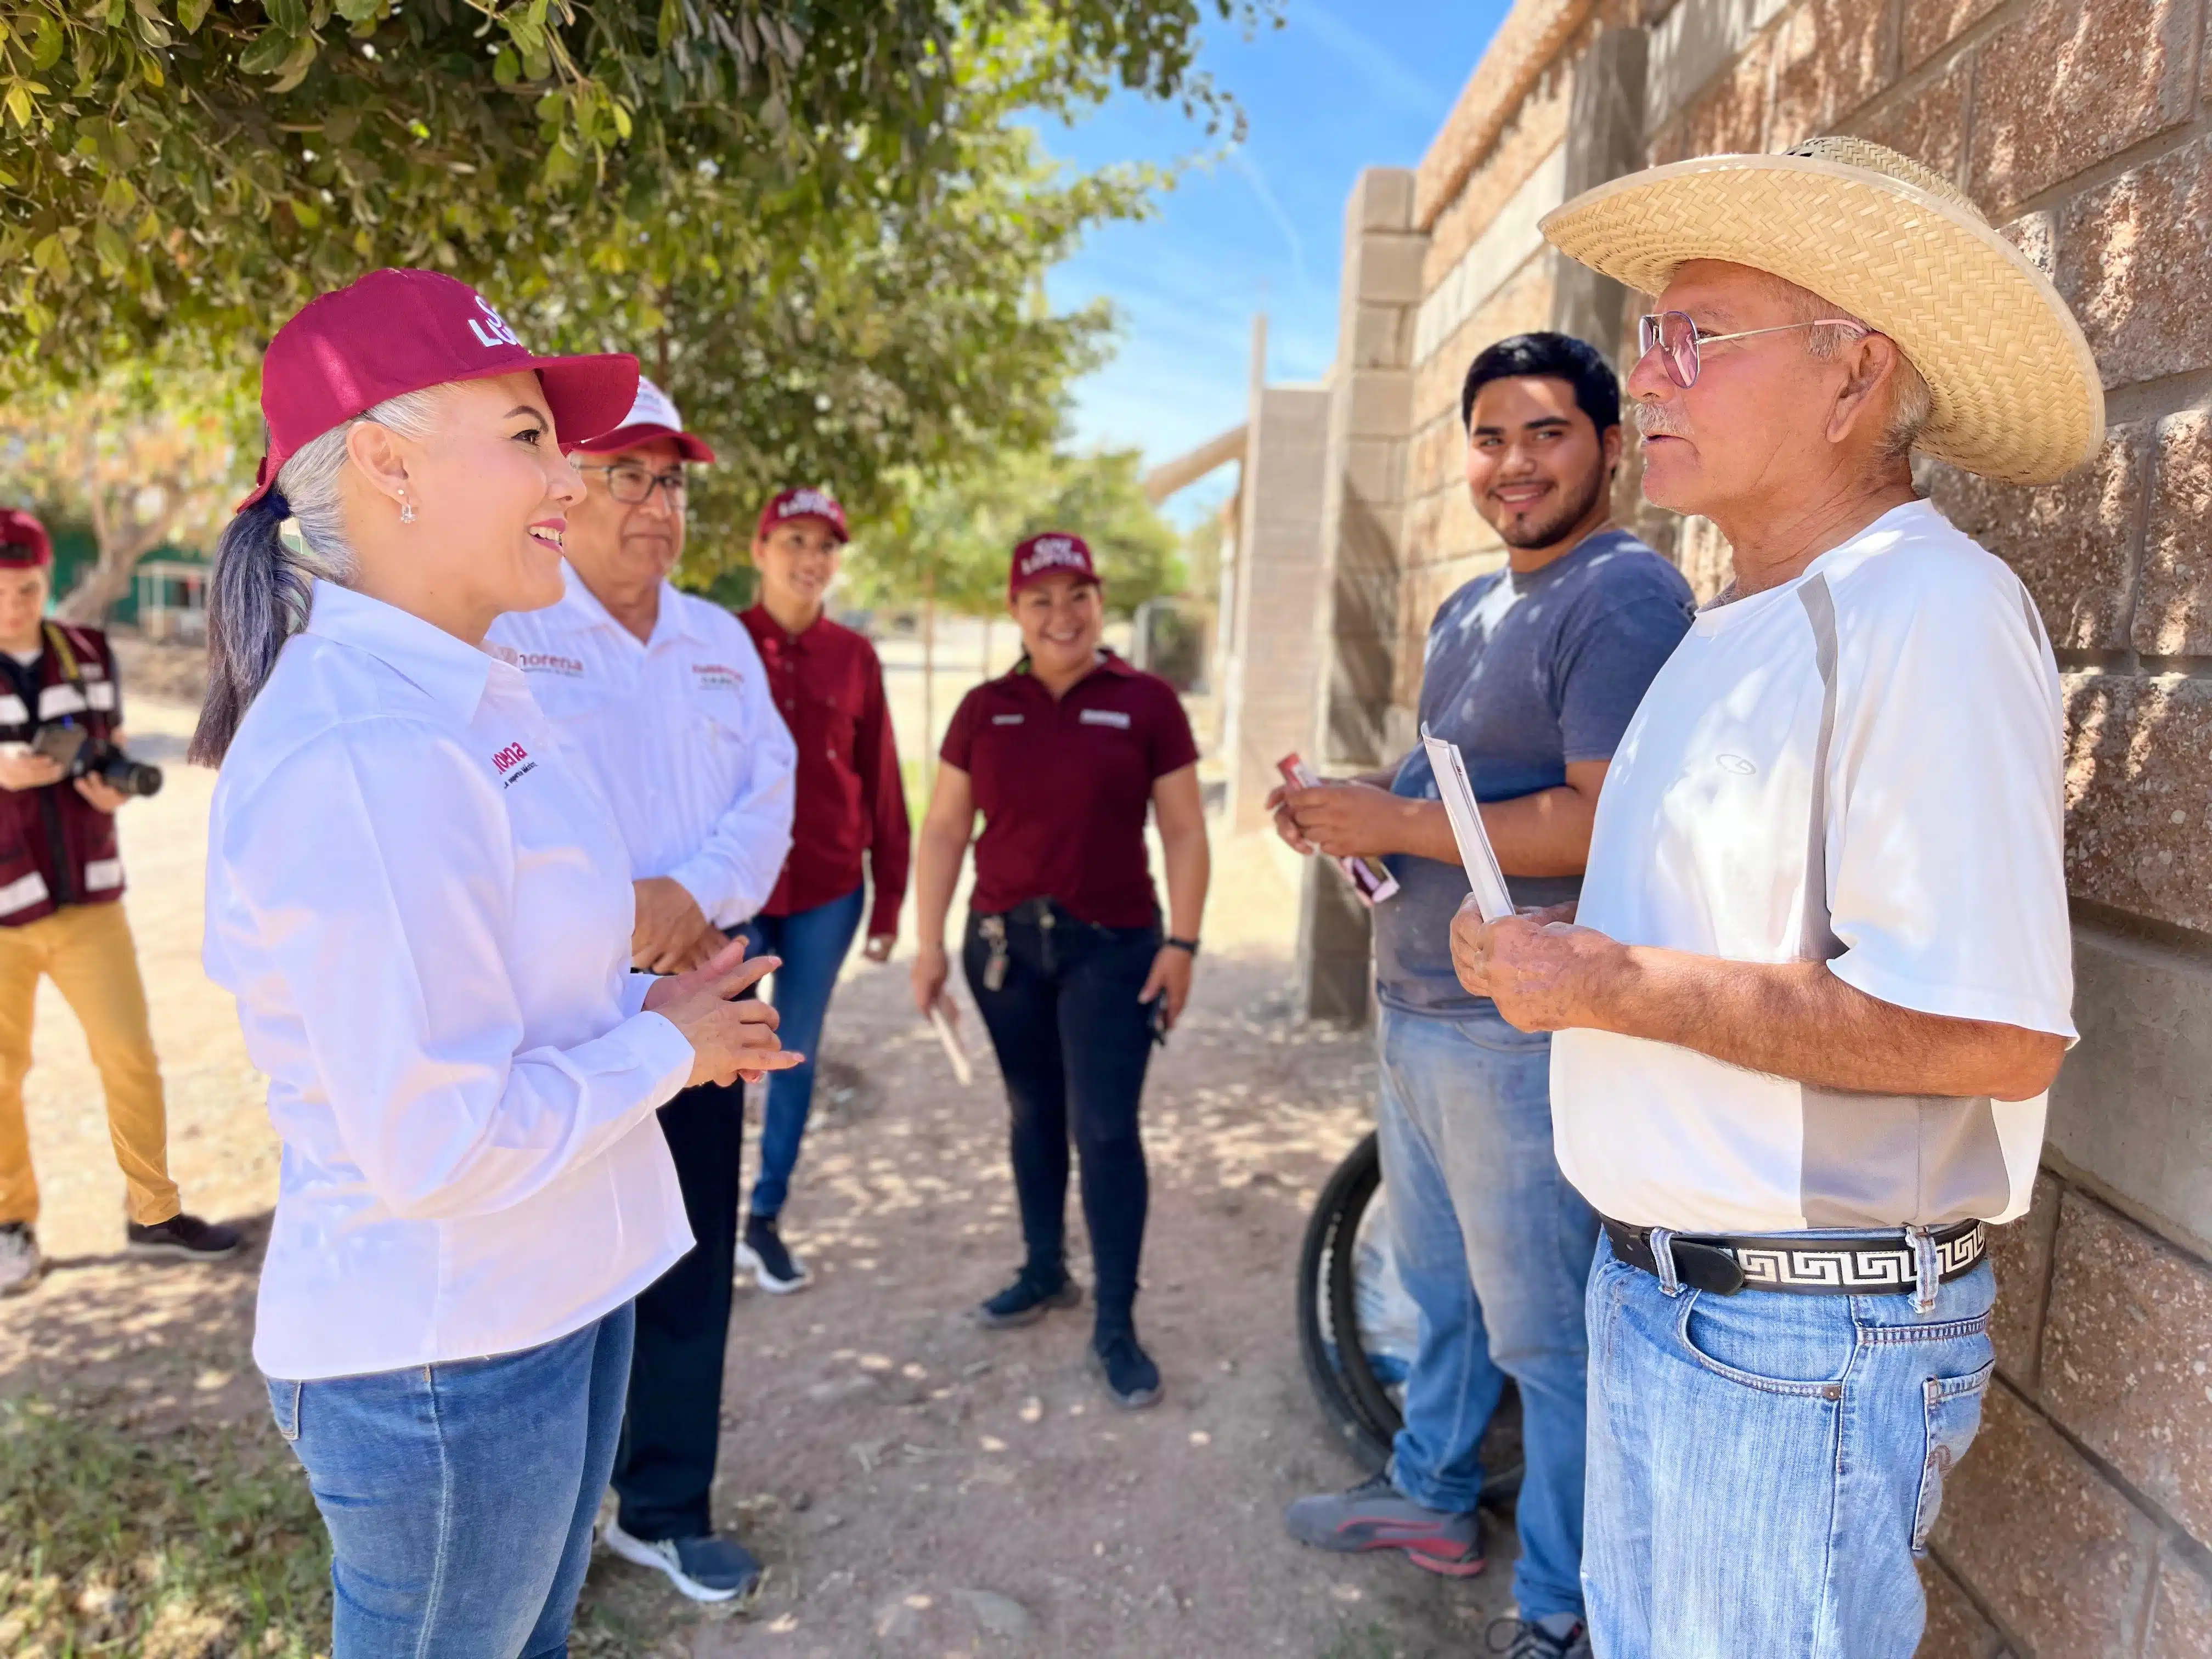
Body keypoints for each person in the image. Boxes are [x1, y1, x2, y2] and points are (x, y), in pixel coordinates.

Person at [1451, 137, 2095, 1658]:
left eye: (1698, 338)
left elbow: (1995, 1038)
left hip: (1795, 1342)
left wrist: (1606, 989)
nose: (1648, 378)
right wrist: (1561, 964)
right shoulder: (1738, 627)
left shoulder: (1924, 610)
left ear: (1854, 376)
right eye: (1650, 336)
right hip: (1691, 1312)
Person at [196, 268, 799, 1657]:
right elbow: (438, 1141)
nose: (567, 474)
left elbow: (501, 988)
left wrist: (645, 1000)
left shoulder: (465, 688)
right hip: (446, 1356)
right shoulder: (366, 746)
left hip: (543, 1300)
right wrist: (671, 1049)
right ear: (391, 466)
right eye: (528, 436)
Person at [1273, 335, 1691, 1658]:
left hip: (1516, 1038)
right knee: (1441, 1295)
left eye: (1549, 433)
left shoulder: (1624, 597)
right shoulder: (1472, 608)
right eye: (1493, 437)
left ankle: (1559, 1611)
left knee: (1549, 1342)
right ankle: (1433, 1499)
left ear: (1610, 447)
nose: (1516, 465)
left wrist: (1388, 819)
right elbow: (1456, 804)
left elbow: (1594, 819)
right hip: (1422, 1010)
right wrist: (1363, 828)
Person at [487, 375, 796, 1604]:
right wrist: (624, 909)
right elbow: (490, 818)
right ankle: (544, 1523)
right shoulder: (511, 627)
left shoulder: (720, 643)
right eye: (630, 474)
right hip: (558, 1014)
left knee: (685, 1257)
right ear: (567, 485)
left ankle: (662, 1508)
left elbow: (768, 804)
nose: (658, 504)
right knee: (553, 1269)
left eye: (672, 480)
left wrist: (683, 898)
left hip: (700, 997)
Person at [910, 532, 1209, 1409]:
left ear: (1099, 602)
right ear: (1014, 610)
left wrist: (1182, 945)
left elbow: (1186, 831)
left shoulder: (1147, 702)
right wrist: (928, 945)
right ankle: (1045, 1269)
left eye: (1076, 595)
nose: (1060, 614)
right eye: (1040, 598)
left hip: (1114, 951)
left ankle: (1115, 1322)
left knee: (1107, 1131)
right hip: (1005, 946)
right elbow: (943, 831)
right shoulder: (983, 708)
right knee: (1031, 1112)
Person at [0, 508, 239, 1296]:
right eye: (1, 590)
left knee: (129, 1055)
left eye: (28, 587)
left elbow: (114, 745)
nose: (14, 605)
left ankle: (153, 1212)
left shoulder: (91, 651)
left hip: (88, 894)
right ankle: (11, 1226)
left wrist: (111, 787)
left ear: (48, 580)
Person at [736, 487, 910, 1289]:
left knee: (792, 1054)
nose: (811, 559)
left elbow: (881, 781)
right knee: (708, 1055)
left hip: (829, 893)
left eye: (826, 546)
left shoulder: (856, 657)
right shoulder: (721, 645)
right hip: (733, 894)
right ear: (760, 549)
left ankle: (764, 1217)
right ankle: (697, 1223)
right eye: (795, 540)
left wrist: (893, 895)